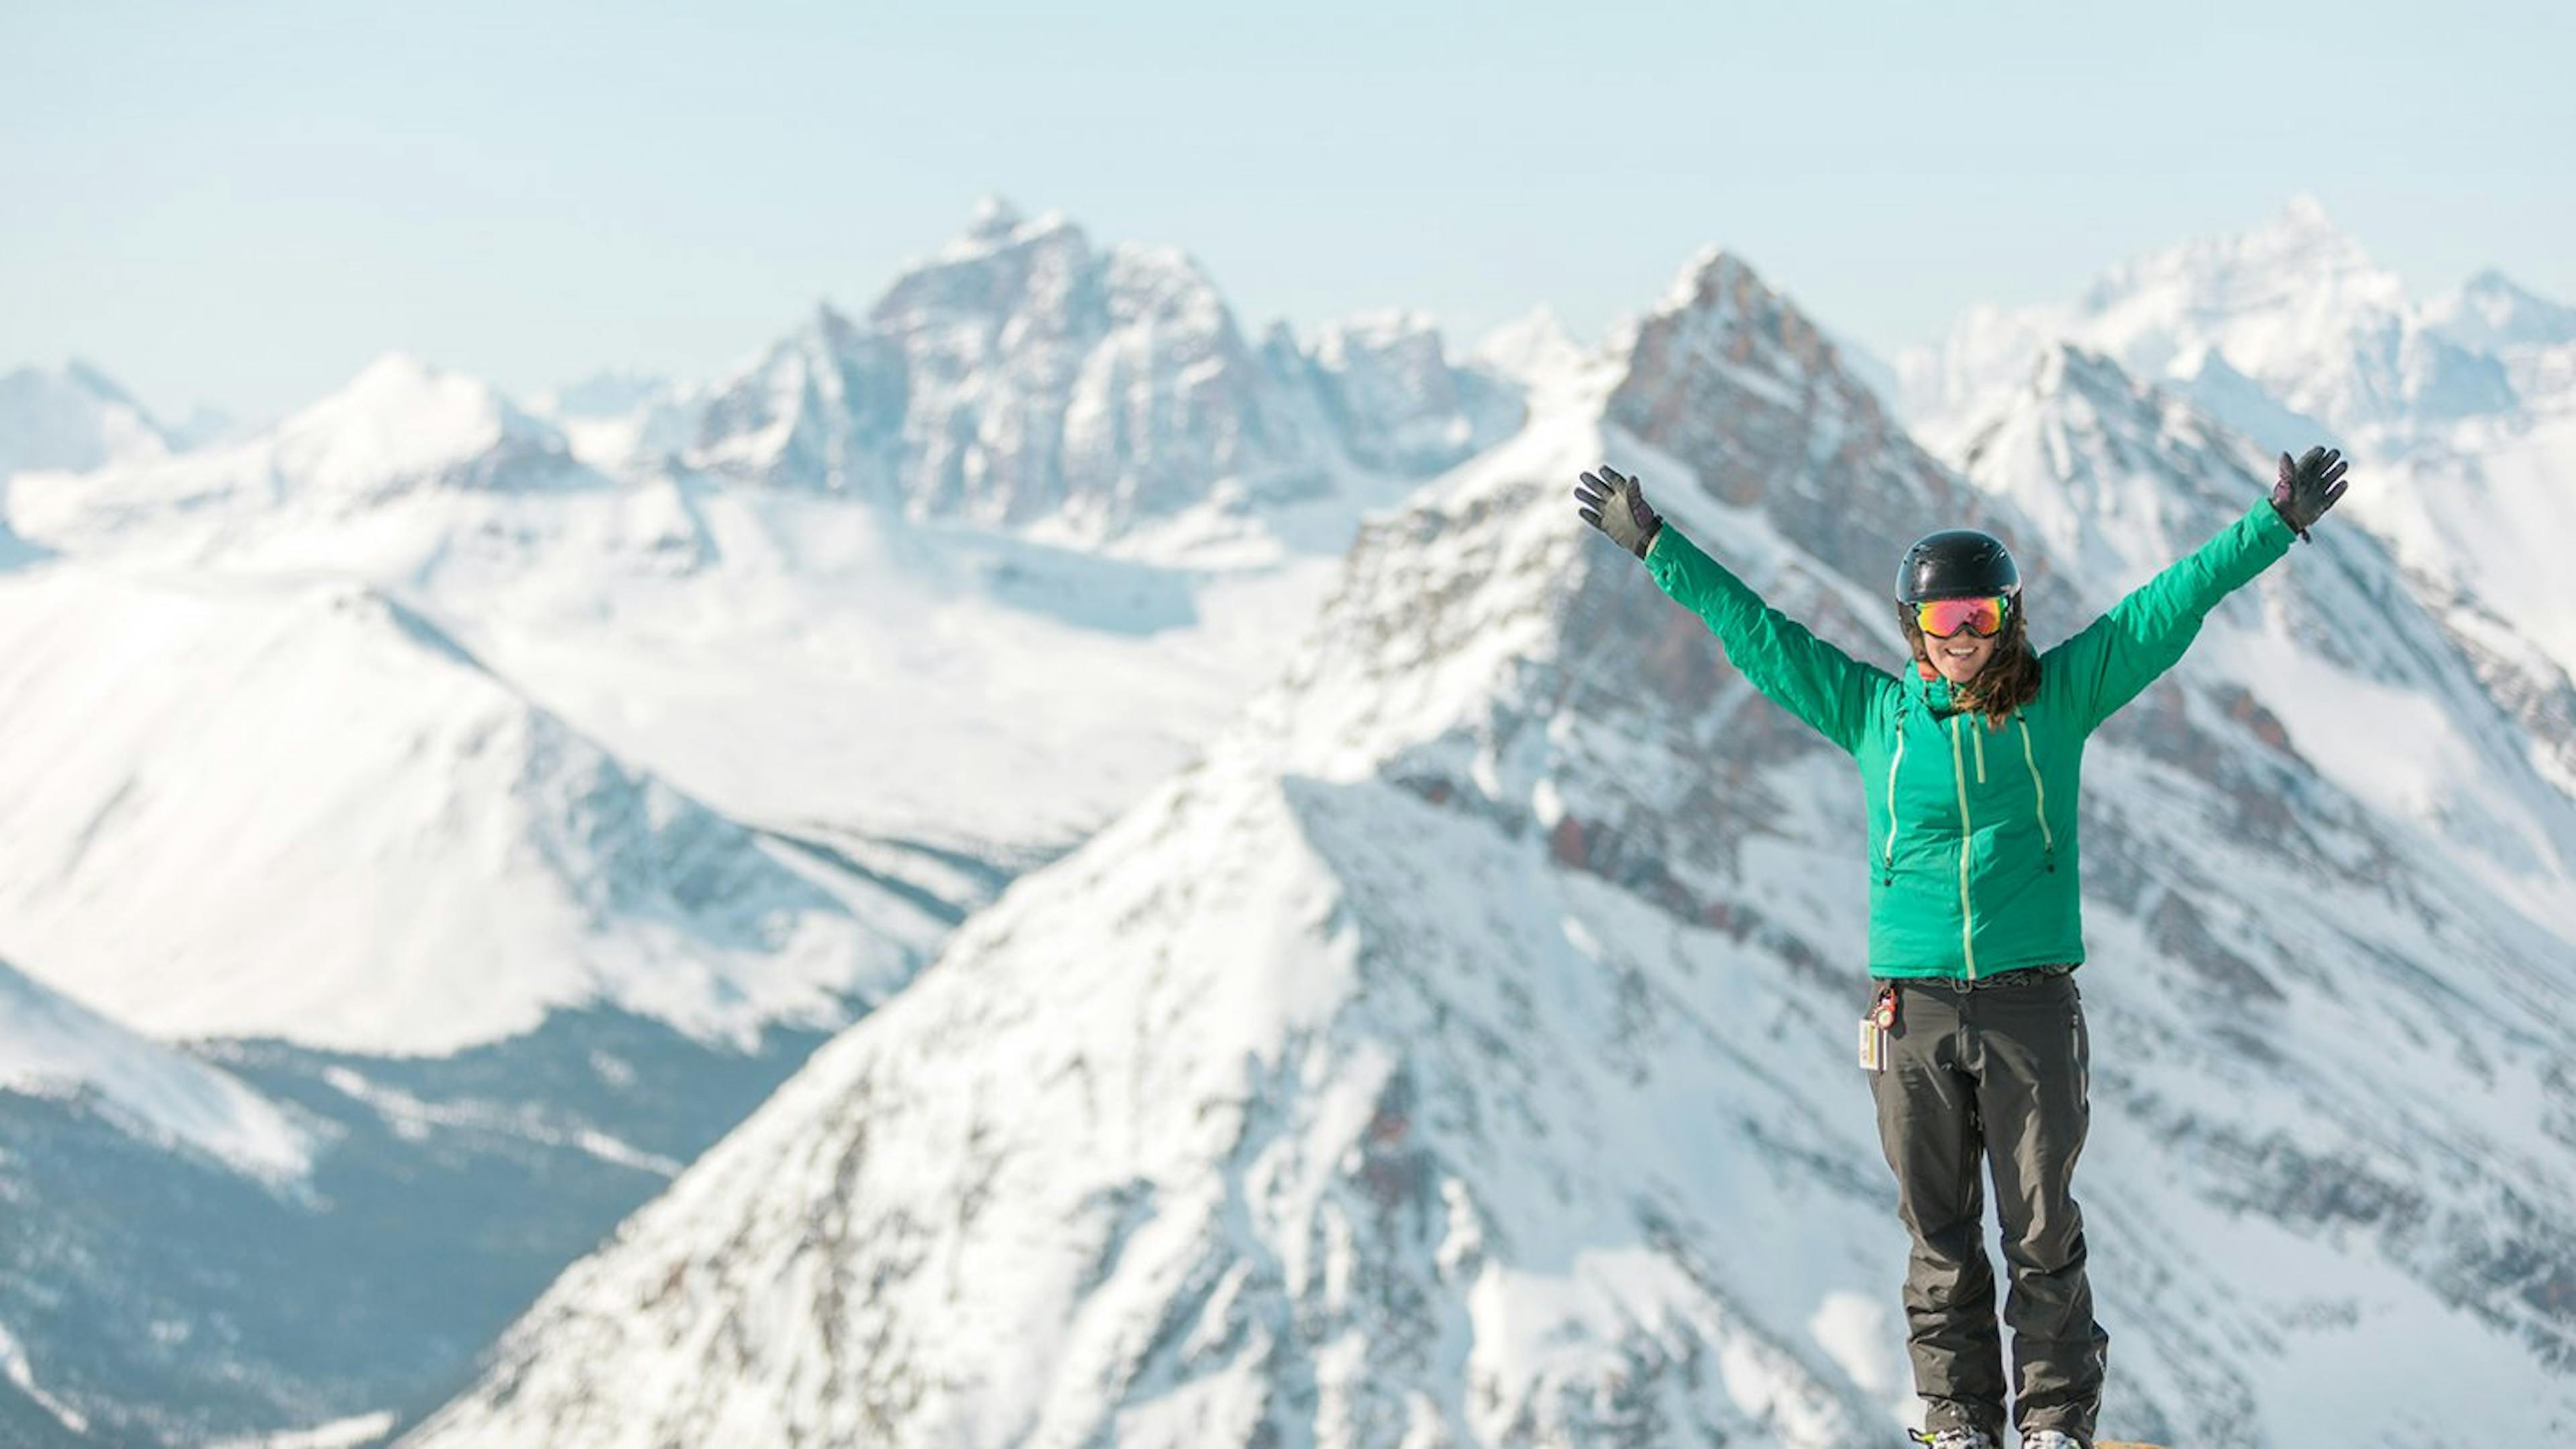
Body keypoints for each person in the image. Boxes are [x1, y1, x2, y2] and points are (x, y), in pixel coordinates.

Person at [1572, 447, 2351, 1449]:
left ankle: (2057, 1426)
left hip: (2031, 1003)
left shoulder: (2058, 700)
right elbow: (1756, 632)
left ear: (2009, 618)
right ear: (1915, 628)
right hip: (1912, 1012)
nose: (1964, 637)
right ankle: (1957, 1422)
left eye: (1982, 617)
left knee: (2040, 1231)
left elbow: (2167, 608)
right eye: (1944, 620)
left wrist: (2273, 523)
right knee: (1938, 1234)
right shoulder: (1873, 715)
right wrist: (1657, 547)